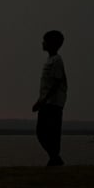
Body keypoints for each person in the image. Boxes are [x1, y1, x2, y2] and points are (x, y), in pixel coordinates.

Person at [32, 30, 68, 166]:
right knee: (42, 132)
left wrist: (43, 100)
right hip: (46, 102)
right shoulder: (50, 60)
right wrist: (40, 100)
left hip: (53, 103)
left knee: (50, 132)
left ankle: (55, 158)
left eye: (45, 41)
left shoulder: (57, 61)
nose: (43, 43)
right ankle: (55, 158)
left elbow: (56, 83)